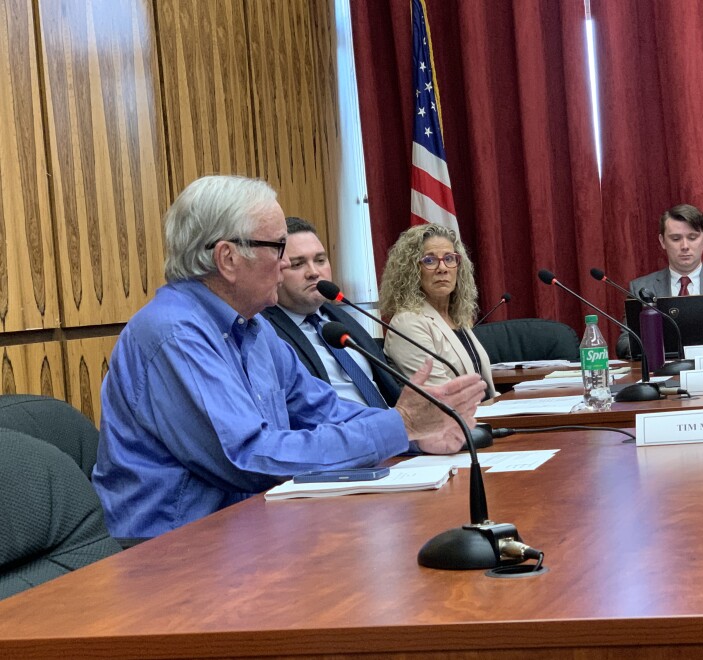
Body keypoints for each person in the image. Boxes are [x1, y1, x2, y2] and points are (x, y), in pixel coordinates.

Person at [92, 176, 485, 539]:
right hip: (174, 555)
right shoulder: (174, 333)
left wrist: (416, 434)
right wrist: (401, 426)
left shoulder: (257, 328)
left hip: (254, 530)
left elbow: (324, 408)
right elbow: (248, 458)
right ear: (228, 258)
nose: (286, 263)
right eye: (278, 247)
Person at [262, 217, 400, 407]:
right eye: (297, 264)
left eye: (320, 260)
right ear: (276, 272)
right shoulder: (265, 331)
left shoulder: (337, 318)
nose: (313, 272)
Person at [616, 203, 703, 357]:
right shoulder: (640, 288)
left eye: (692, 237)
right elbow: (624, 343)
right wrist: (660, 345)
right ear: (662, 241)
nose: (685, 246)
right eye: (676, 239)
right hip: (662, 373)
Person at [379, 224, 496, 400]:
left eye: (449, 258)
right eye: (429, 260)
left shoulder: (456, 317)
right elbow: (442, 397)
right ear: (411, 271)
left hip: (483, 416)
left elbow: (484, 387)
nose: (443, 268)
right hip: (454, 423)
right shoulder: (407, 323)